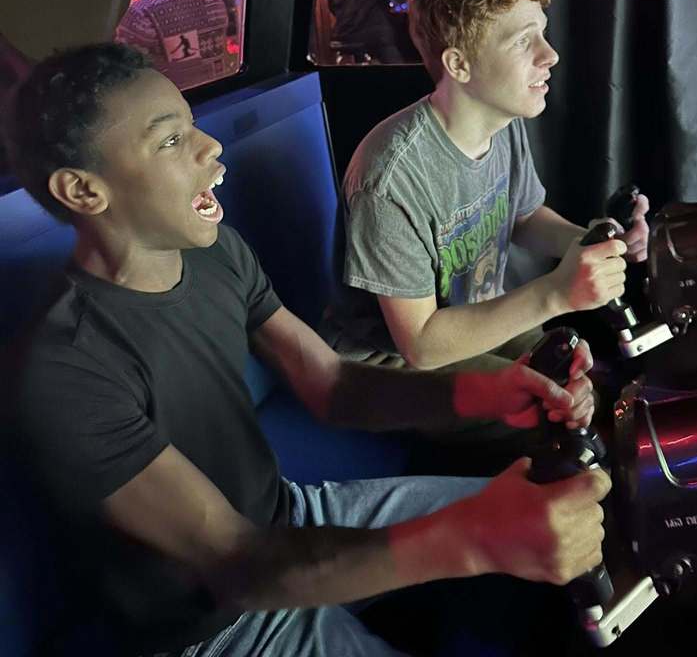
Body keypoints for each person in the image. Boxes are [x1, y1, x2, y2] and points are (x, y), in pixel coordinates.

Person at [6, 43, 608, 657]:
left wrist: (491, 392)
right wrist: (474, 538)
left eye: (191, 124)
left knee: (561, 503)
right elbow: (235, 561)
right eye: (168, 141)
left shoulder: (215, 251)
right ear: (83, 191)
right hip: (215, 623)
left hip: (289, 516)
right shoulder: (64, 369)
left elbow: (331, 385)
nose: (209, 147)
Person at [324, 0, 649, 380]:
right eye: (522, 41)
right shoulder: (390, 178)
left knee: (586, 378)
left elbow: (525, 216)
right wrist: (555, 293)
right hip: (393, 365)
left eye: (543, 33)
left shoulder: (503, 121)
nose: (550, 55)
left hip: (473, 321)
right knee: (554, 406)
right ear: (459, 64)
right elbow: (421, 344)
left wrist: (598, 242)